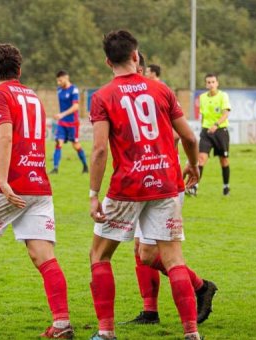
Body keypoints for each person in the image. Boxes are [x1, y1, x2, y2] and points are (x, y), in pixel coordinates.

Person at [87, 30, 204, 340]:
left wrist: (93, 194)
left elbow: (99, 150)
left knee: (99, 256)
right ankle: (191, 333)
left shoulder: (102, 96)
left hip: (128, 186)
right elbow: (190, 137)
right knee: (174, 258)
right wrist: (192, 164)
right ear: (136, 56)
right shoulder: (161, 90)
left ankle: (105, 332)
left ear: (107, 61)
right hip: (166, 182)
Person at [0, 43, 73, 338]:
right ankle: (61, 323)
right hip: (39, 184)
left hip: (11, 184)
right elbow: (24, 141)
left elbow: (7, 136)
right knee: (44, 256)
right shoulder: (33, 97)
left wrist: (3, 179)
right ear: (19, 70)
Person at [123, 53, 217, 327]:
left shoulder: (158, 93)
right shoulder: (129, 94)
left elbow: (181, 134)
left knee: (152, 254)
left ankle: (200, 287)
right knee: (140, 249)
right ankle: (150, 310)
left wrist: (165, 153)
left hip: (162, 180)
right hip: (141, 180)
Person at [190, 73, 231, 196]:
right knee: (201, 159)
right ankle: (194, 187)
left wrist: (216, 125)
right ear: (205, 84)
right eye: (208, 82)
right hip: (206, 132)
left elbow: (225, 114)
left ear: (217, 83)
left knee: (223, 160)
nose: (211, 84)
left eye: (213, 82)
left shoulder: (223, 96)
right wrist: (204, 127)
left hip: (220, 131)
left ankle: (226, 187)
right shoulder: (202, 97)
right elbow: (203, 115)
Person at [51, 70, 88, 174]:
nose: (58, 83)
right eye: (57, 81)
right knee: (58, 142)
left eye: (60, 80)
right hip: (62, 122)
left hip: (72, 122)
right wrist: (60, 115)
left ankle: (85, 166)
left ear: (66, 78)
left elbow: (76, 106)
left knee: (75, 145)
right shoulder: (59, 90)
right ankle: (55, 168)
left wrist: (62, 114)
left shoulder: (74, 90)